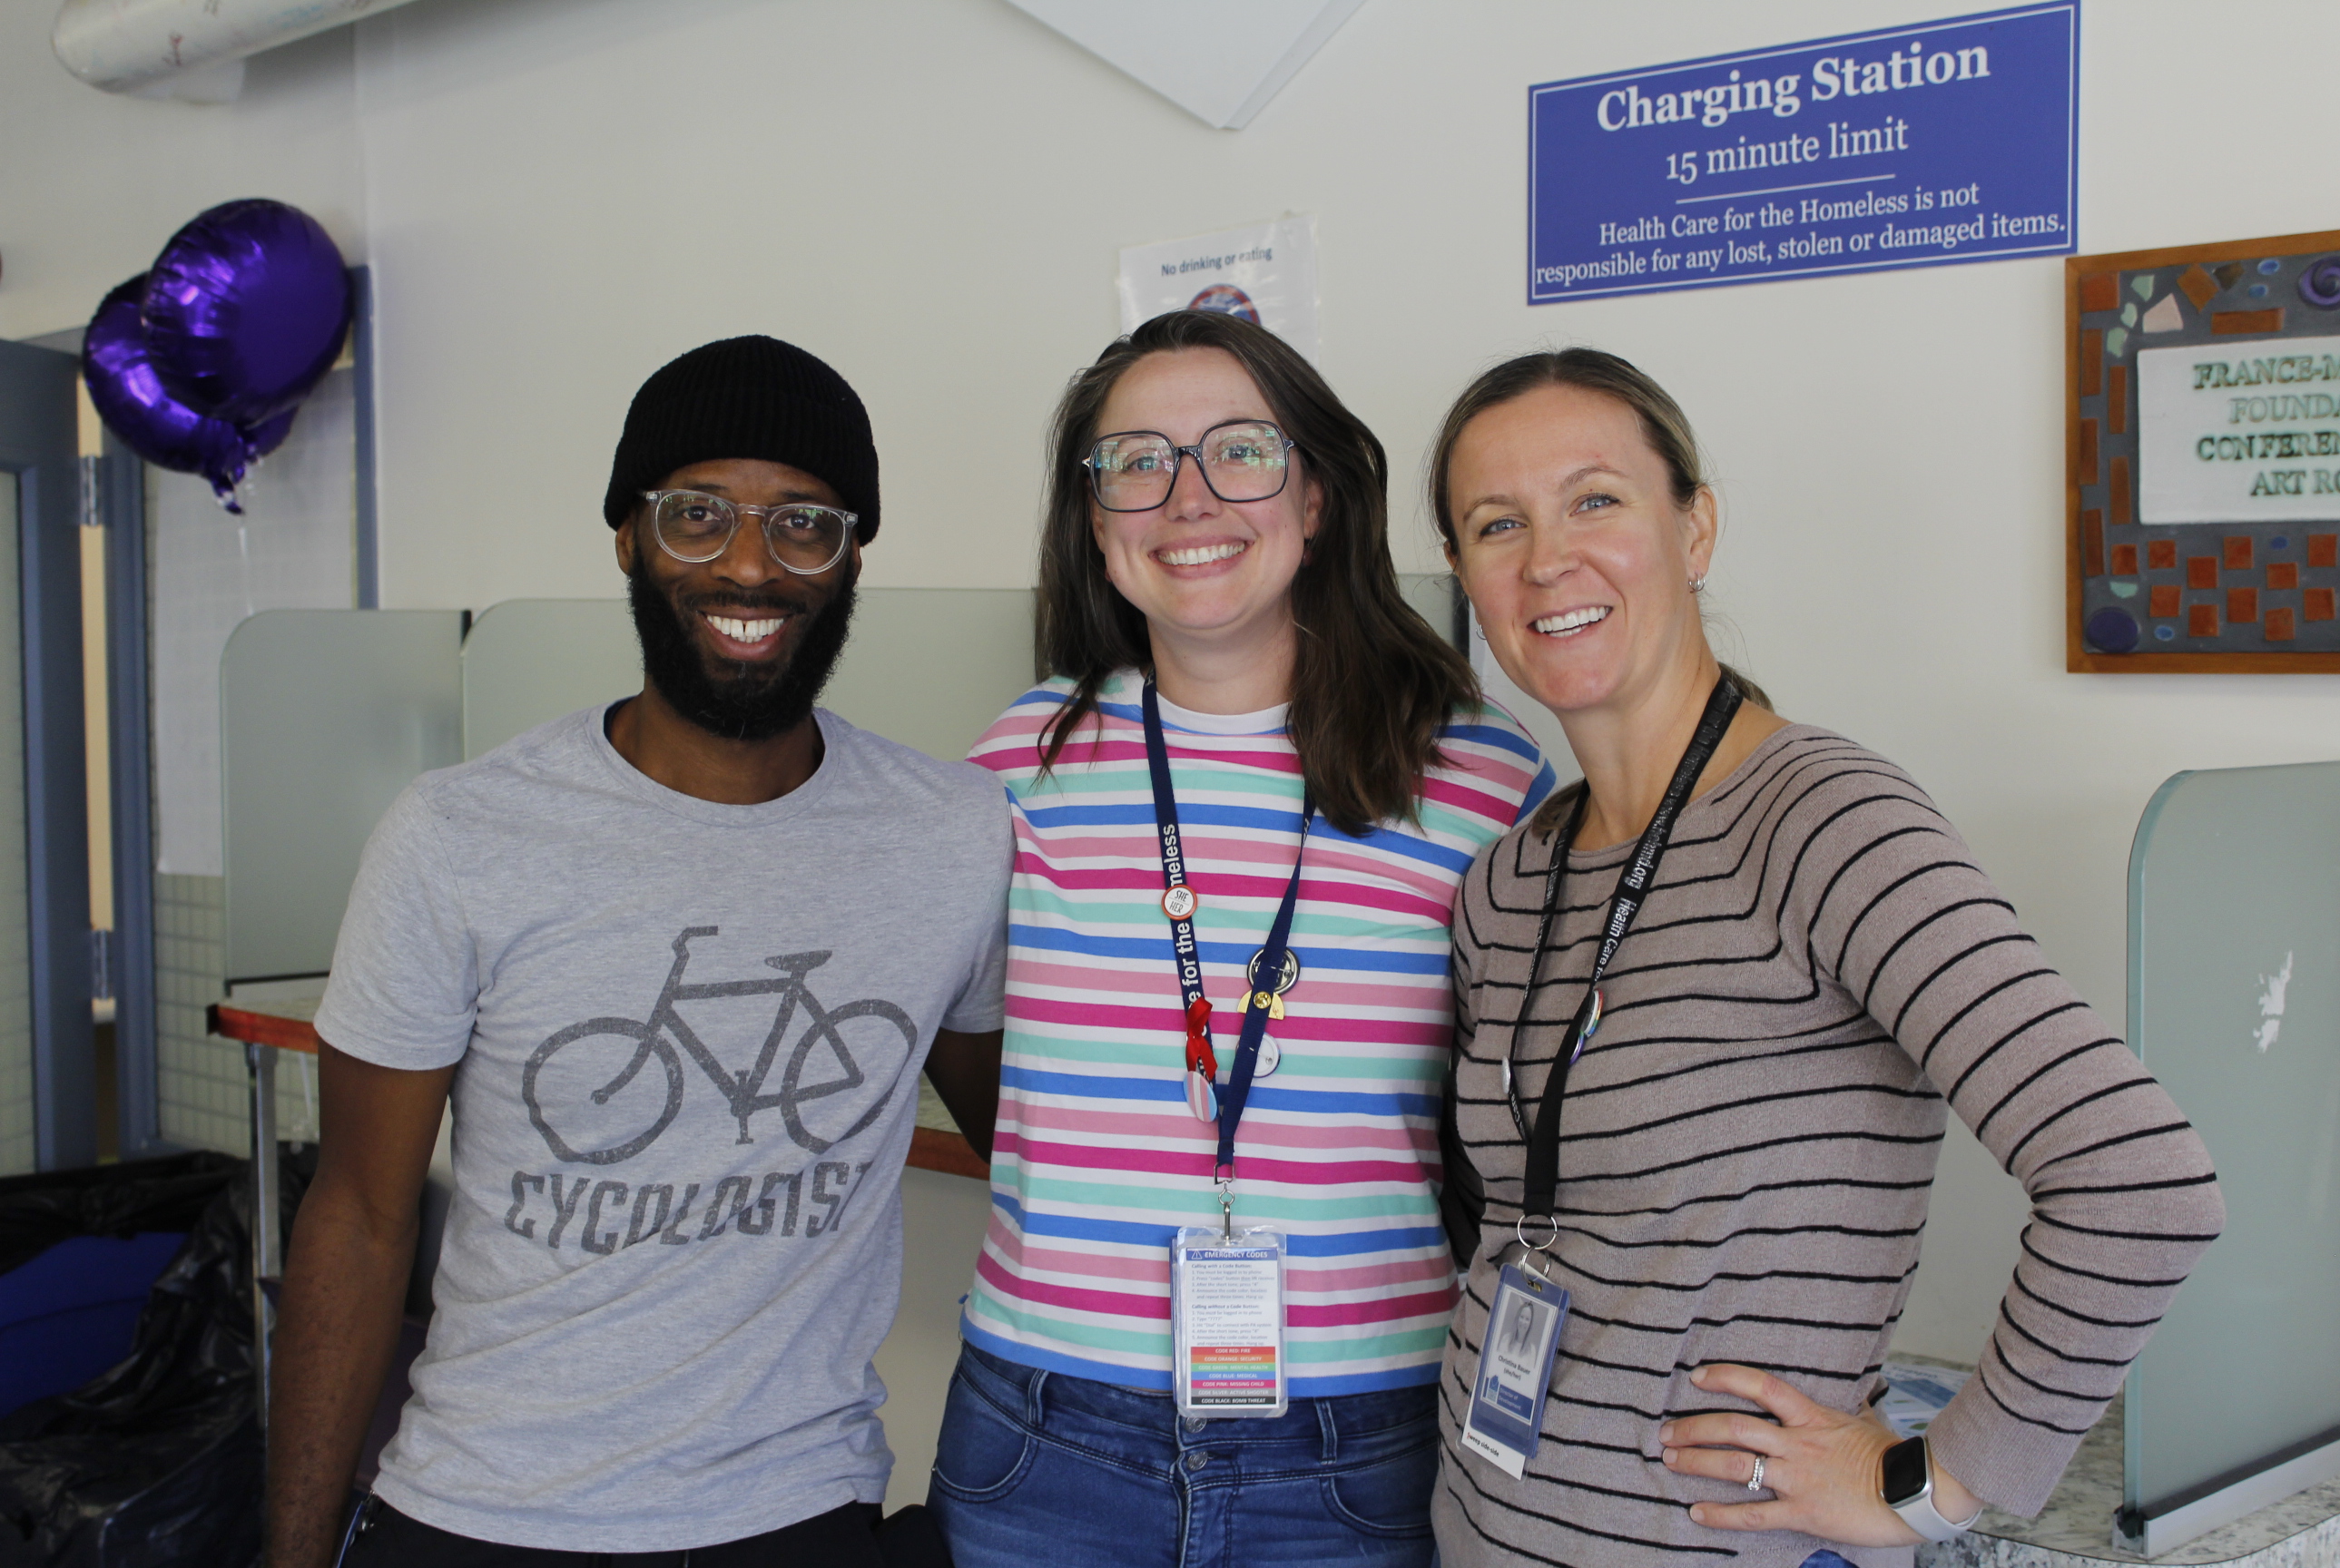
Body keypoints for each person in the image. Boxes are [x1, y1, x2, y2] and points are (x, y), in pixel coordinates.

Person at [1431, 348, 2224, 1568]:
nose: (1547, 559)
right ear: (1466, 579)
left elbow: (2137, 1178)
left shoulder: (1822, 821)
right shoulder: (1509, 879)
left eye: (1597, 499)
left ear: (1694, 530)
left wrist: (1938, 1482)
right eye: (1498, 524)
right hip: (1477, 1533)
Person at [265, 336, 1010, 1568]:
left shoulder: (952, 834)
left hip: (797, 1512)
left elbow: (1036, 1150)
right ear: (627, 534)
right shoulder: (459, 835)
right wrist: (292, 1555)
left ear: (852, 554)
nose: (753, 564)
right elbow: (354, 1217)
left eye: (805, 523)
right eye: (698, 515)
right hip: (480, 1511)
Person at [926, 309, 1555, 1568]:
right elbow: (965, 1036)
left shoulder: (1483, 777)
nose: (1188, 497)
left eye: (1241, 451)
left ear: (1316, 496)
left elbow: (1525, 1107)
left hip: (1359, 1438)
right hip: (1044, 1438)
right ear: (1095, 520)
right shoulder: (1017, 763)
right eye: (1137, 461)